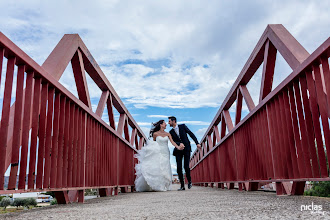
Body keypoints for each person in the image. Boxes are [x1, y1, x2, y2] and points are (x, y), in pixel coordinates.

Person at [134, 120, 183, 192]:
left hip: (166, 152)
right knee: (160, 167)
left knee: (166, 167)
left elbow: (172, 142)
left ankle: (165, 185)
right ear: (161, 125)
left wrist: (178, 147)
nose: (166, 124)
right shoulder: (155, 134)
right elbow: (153, 144)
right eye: (164, 123)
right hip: (158, 152)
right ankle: (159, 185)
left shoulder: (168, 134)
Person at [168, 116, 201, 190]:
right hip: (178, 150)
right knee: (179, 168)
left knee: (186, 166)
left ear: (174, 121)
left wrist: (197, 143)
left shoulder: (183, 126)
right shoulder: (170, 132)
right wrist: (179, 144)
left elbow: (191, 134)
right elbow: (173, 141)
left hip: (186, 149)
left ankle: (189, 181)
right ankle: (182, 186)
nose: (168, 123)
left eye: (169, 121)